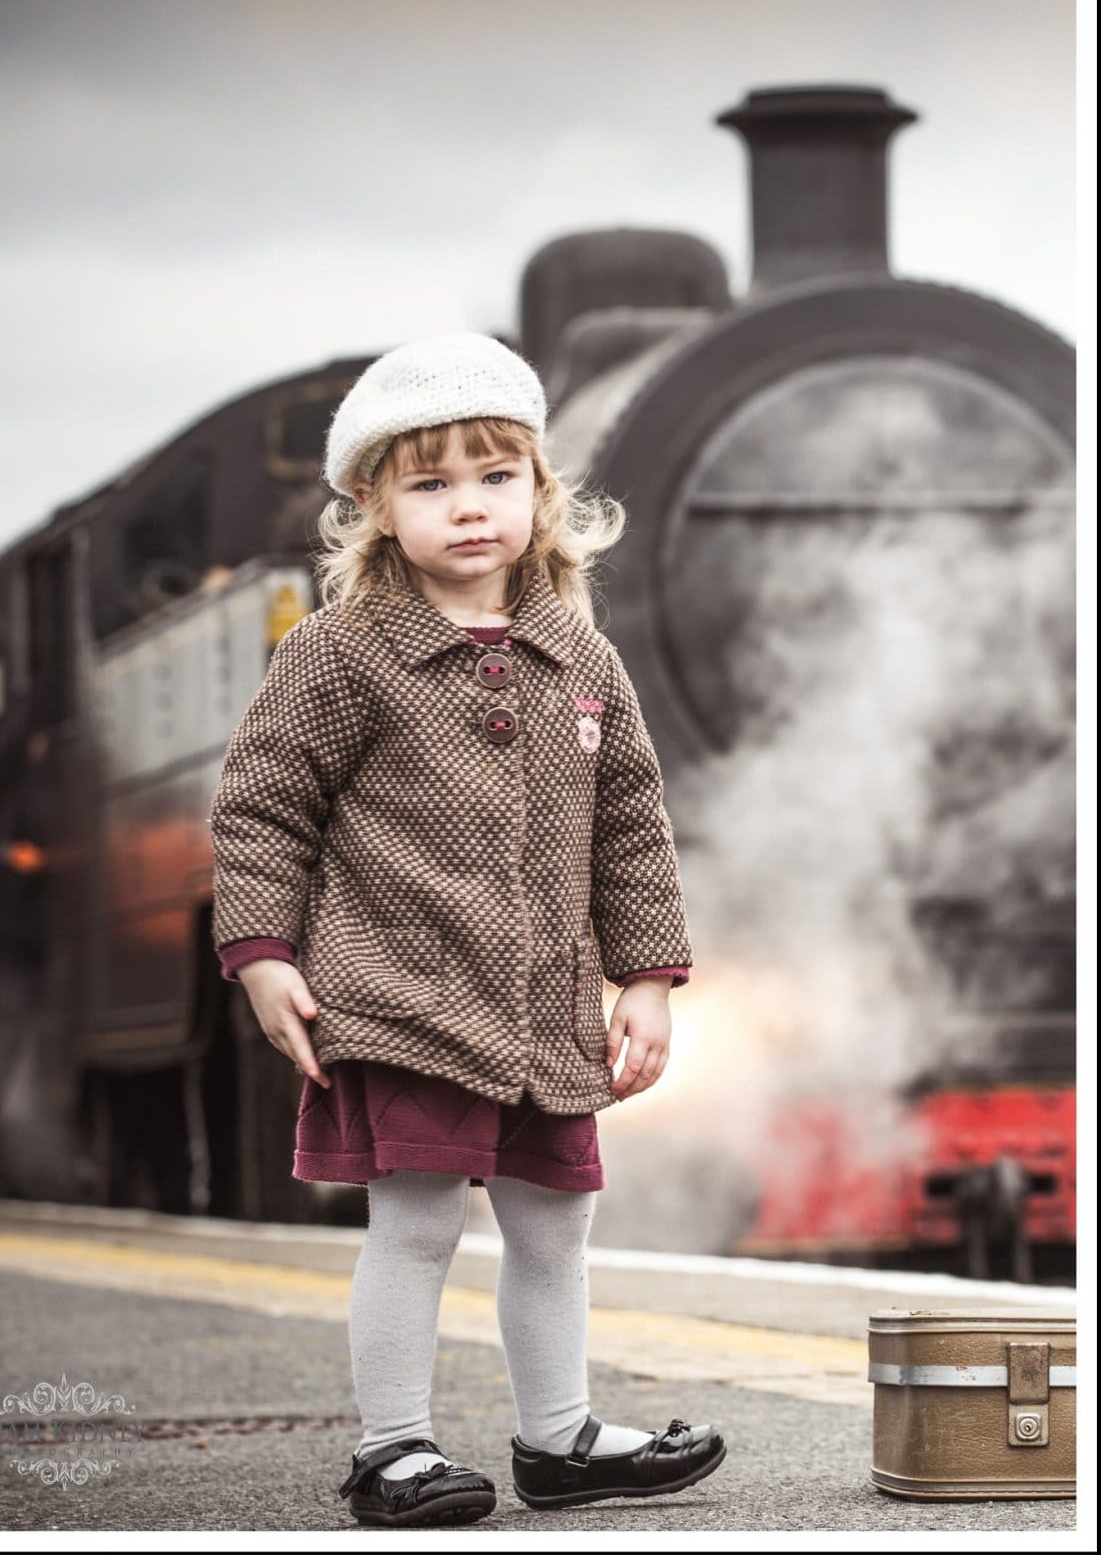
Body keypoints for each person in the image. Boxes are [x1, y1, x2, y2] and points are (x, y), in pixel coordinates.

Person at [207, 332, 726, 1528]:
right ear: (377, 511)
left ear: (540, 493)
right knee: (419, 1220)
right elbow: (262, 808)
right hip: (399, 999)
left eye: (495, 477)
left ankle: (560, 1436)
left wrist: (646, 977)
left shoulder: (580, 658)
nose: (468, 507)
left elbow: (631, 828)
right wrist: (263, 955)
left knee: (556, 1223)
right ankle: (392, 1448)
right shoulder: (337, 656)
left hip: (545, 1009)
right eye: (429, 484)